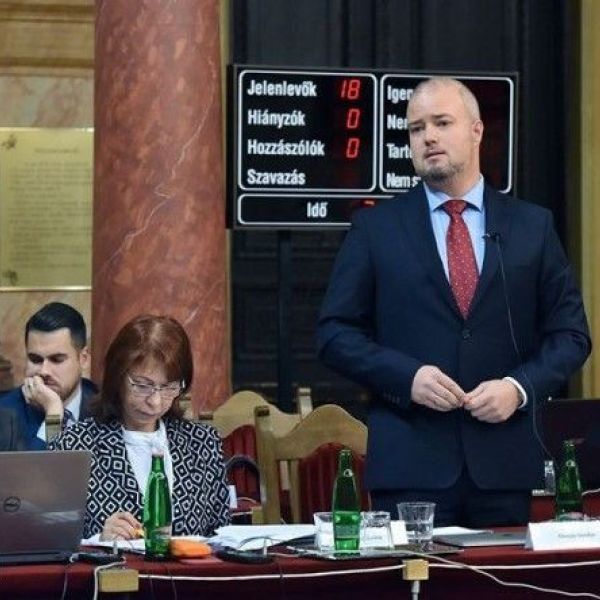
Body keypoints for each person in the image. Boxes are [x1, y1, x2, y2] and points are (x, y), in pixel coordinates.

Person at [317, 77, 591, 527]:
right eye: (416, 128)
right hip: (410, 465)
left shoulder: (531, 227)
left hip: (503, 465)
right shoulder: (376, 228)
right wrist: (407, 378)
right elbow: (334, 335)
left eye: (442, 123)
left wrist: (518, 389)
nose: (428, 137)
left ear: (477, 131)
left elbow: (571, 336)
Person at [49, 314, 230, 540]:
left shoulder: (202, 443)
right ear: (117, 377)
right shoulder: (74, 446)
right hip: (112, 563)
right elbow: (52, 541)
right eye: (143, 386)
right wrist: (98, 540)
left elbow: (222, 538)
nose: (155, 402)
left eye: (169, 387)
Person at [0, 302, 97, 450]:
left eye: (57, 360)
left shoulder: (106, 407)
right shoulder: (5, 413)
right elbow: (42, 464)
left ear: (83, 359)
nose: (44, 371)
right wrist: (53, 416)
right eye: (35, 359)